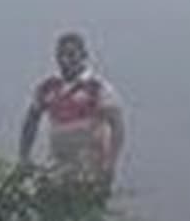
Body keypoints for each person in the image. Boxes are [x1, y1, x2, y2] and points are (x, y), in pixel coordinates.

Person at [18, 32, 125, 199]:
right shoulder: (49, 87)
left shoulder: (97, 87)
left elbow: (117, 126)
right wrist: (24, 157)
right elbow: (31, 120)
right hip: (58, 166)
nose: (65, 60)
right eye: (61, 55)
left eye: (71, 54)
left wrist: (110, 164)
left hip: (90, 167)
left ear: (83, 56)